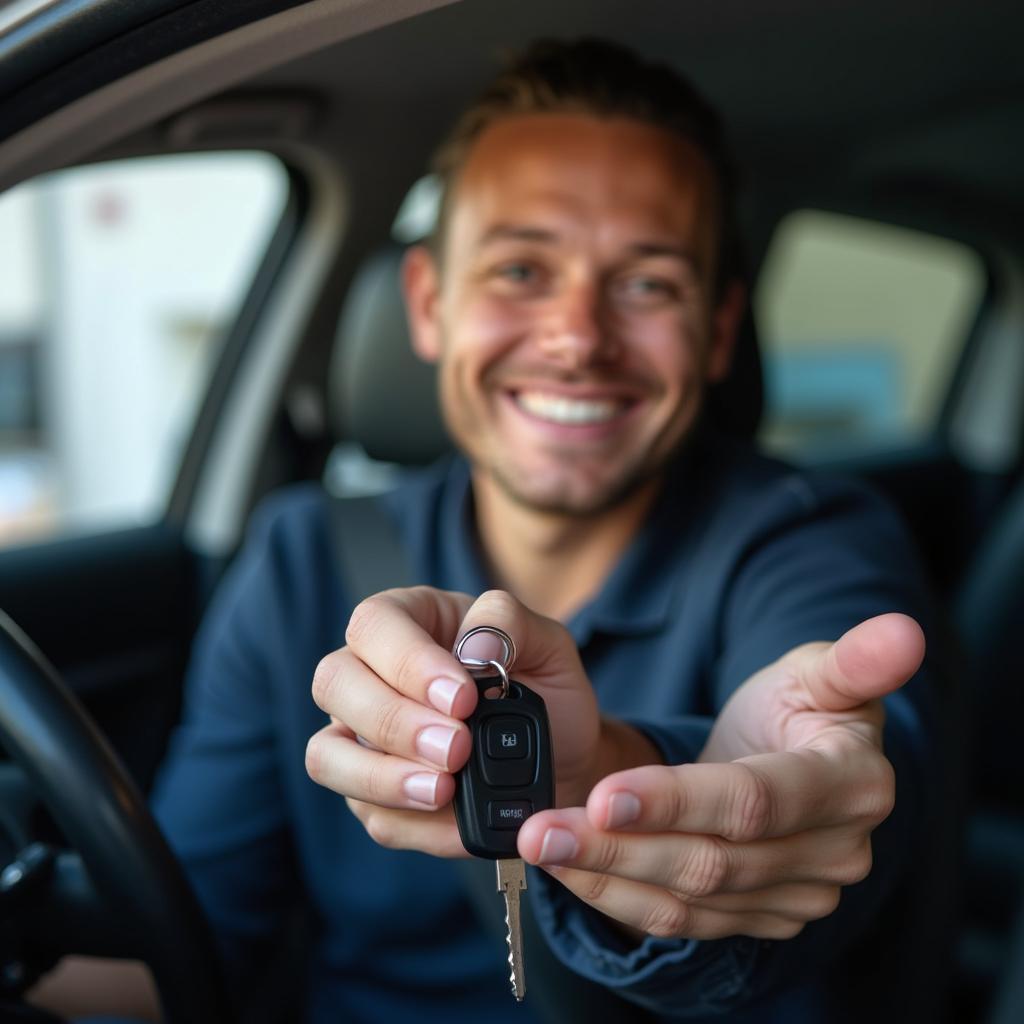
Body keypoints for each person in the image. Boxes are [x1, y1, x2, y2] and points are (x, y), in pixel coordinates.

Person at [32, 38, 940, 1024]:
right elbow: (188, 944)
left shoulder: (814, 538)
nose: (576, 337)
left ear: (718, 333)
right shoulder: (299, 559)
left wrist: (605, 773)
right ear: (429, 303)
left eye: (646, 284)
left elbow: (859, 800)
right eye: (519, 268)